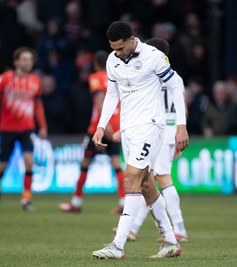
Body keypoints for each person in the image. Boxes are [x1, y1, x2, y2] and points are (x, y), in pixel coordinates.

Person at [91, 21, 188, 259]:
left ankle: (117, 245)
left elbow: (175, 86)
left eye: (121, 48)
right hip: (128, 129)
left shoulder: (153, 56)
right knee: (146, 184)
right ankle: (170, 241)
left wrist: (181, 126)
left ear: (132, 40)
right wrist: (101, 126)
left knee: (132, 178)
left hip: (151, 127)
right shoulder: (113, 60)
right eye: (113, 48)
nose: (117, 53)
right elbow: (112, 94)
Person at [112, 37, 188, 243]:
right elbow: (182, 104)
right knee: (147, 180)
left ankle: (178, 228)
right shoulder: (176, 77)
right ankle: (137, 228)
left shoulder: (151, 73)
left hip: (156, 129)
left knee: (160, 178)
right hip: (161, 129)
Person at [58, 50, 125, 214]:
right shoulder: (119, 77)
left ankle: (76, 202)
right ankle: (124, 202)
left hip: (98, 128)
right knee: (116, 164)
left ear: (95, 63)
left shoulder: (95, 78)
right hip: (117, 126)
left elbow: (100, 98)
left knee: (85, 163)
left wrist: (105, 124)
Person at [0, 47, 48, 211]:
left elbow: (38, 105)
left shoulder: (35, 81)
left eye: (30, 60)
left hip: (27, 128)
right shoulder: (5, 79)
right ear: (16, 62)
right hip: (7, 129)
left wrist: (42, 126)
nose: (29, 63)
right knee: (2, 166)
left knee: (29, 162)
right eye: (25, 59)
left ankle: (26, 199)